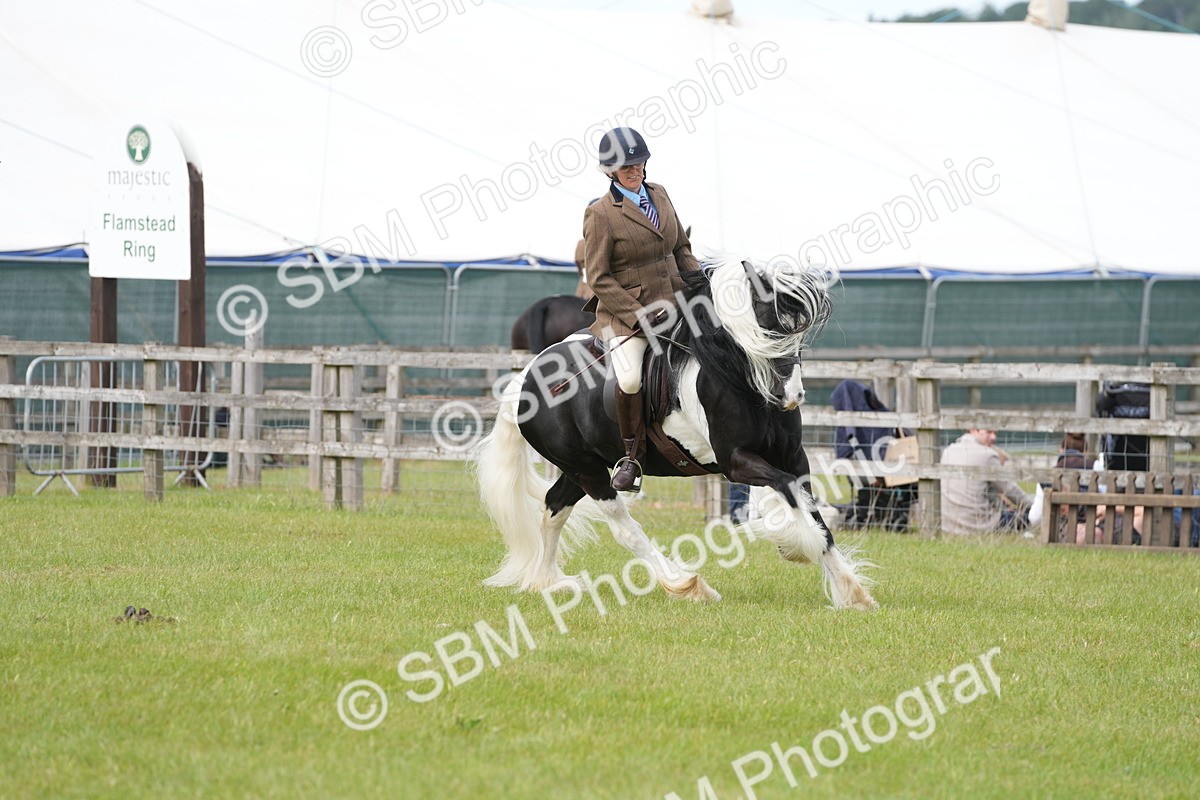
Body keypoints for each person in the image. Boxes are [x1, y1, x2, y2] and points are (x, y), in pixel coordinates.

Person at [581, 127, 701, 491]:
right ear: (610, 171)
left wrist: (701, 285)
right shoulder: (600, 214)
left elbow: (680, 248)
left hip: (676, 302)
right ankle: (631, 458)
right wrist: (638, 314)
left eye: (639, 163)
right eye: (626, 166)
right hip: (627, 317)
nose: (634, 170)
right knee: (631, 378)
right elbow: (598, 277)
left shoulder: (659, 194)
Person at [940, 428, 1034, 535]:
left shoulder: (948, 450)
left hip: (947, 524)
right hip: (978, 524)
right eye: (989, 432)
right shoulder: (987, 455)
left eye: (995, 433)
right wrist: (1035, 507)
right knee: (1026, 517)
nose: (994, 437)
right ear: (973, 430)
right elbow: (1010, 489)